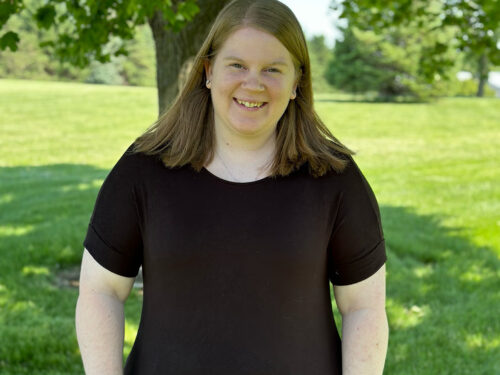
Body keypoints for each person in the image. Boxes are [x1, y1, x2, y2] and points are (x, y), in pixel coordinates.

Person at [75, 0, 388, 374]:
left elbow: (363, 306)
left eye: (272, 69)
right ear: (208, 71)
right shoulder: (145, 168)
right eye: (236, 65)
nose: (252, 83)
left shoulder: (334, 177)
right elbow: (101, 290)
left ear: (296, 83)